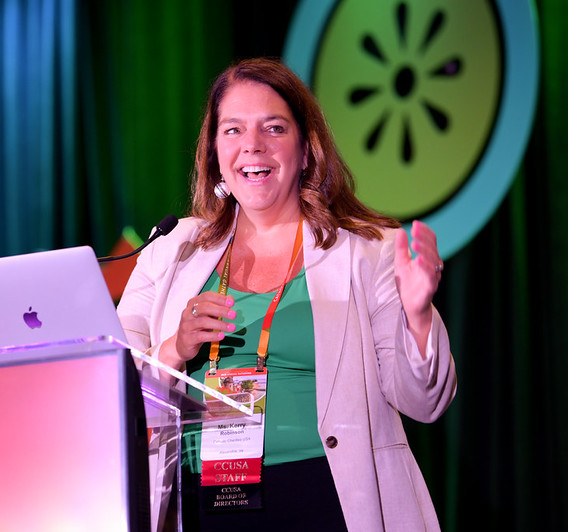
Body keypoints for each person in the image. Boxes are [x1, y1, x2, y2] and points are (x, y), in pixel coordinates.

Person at [117, 57, 457, 531]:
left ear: (306, 150)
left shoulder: (367, 252)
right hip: (201, 503)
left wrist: (418, 317)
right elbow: (113, 388)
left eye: (273, 128)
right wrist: (174, 348)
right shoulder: (170, 250)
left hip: (328, 496)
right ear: (214, 152)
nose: (252, 145)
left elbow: (425, 402)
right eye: (233, 130)